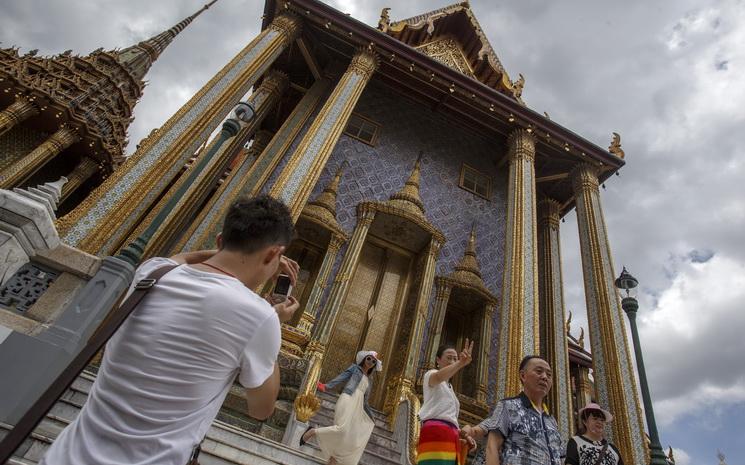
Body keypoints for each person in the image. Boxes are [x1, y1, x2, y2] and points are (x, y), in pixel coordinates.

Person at [41, 195, 301, 465]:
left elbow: (180, 259)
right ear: (273, 253)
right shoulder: (259, 316)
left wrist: (232, 250)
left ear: (221, 240)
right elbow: (261, 409)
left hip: (65, 456)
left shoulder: (152, 273)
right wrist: (275, 325)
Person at [462, 355, 564, 465]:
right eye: (539, 371)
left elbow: (560, 456)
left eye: (549, 375)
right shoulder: (508, 406)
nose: (545, 377)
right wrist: (471, 431)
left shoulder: (551, 420)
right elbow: (492, 446)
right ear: (523, 375)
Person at [300, 350, 382, 465]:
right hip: (347, 398)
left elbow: (365, 401)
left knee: (347, 437)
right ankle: (313, 431)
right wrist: (327, 386)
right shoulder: (355, 368)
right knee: (341, 429)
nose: (370, 362)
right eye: (369, 358)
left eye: (373, 361)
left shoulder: (369, 380)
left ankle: (333, 461)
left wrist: (371, 416)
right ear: (364, 359)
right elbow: (342, 377)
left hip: (358, 407)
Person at [416, 340, 477, 465]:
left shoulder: (450, 389)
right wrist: (461, 363)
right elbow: (439, 377)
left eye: (455, 359)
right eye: (449, 358)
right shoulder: (431, 374)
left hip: (452, 435)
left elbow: (449, 417)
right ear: (438, 360)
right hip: (436, 431)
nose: (452, 361)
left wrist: (464, 435)